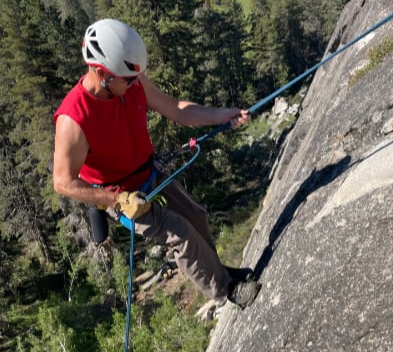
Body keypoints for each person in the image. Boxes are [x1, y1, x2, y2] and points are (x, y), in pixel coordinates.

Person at [53, 18, 260, 309]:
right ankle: (226, 290)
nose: (137, 83)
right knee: (180, 233)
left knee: (195, 216)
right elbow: (63, 182)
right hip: (120, 194)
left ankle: (221, 273)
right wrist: (116, 199)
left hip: (148, 171)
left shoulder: (128, 80)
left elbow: (175, 109)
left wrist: (222, 115)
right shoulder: (74, 120)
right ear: (102, 74)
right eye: (129, 79)